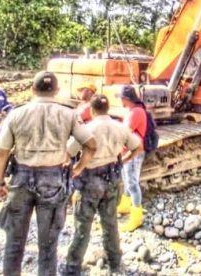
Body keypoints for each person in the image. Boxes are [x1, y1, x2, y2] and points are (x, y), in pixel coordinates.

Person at [0, 71, 97, 276]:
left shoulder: (16, 114)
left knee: (14, 243)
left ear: (33, 89)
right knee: (48, 245)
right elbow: (91, 145)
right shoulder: (68, 114)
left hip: (20, 180)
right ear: (57, 91)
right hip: (53, 179)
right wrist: (77, 168)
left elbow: (1, 153)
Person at [61, 94, 143, 275]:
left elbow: (68, 152)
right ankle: (115, 262)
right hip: (112, 178)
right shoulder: (120, 127)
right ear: (108, 109)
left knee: (83, 224)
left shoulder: (87, 129)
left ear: (92, 109)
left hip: (90, 180)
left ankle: (73, 267)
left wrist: (75, 169)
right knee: (110, 222)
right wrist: (125, 160)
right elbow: (138, 147)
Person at [115, 85, 147, 232]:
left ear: (126, 99)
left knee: (132, 183)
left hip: (133, 152)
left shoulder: (135, 113)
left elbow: (125, 133)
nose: (120, 101)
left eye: (121, 98)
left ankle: (136, 216)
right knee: (127, 179)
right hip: (128, 151)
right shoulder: (132, 110)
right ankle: (126, 204)